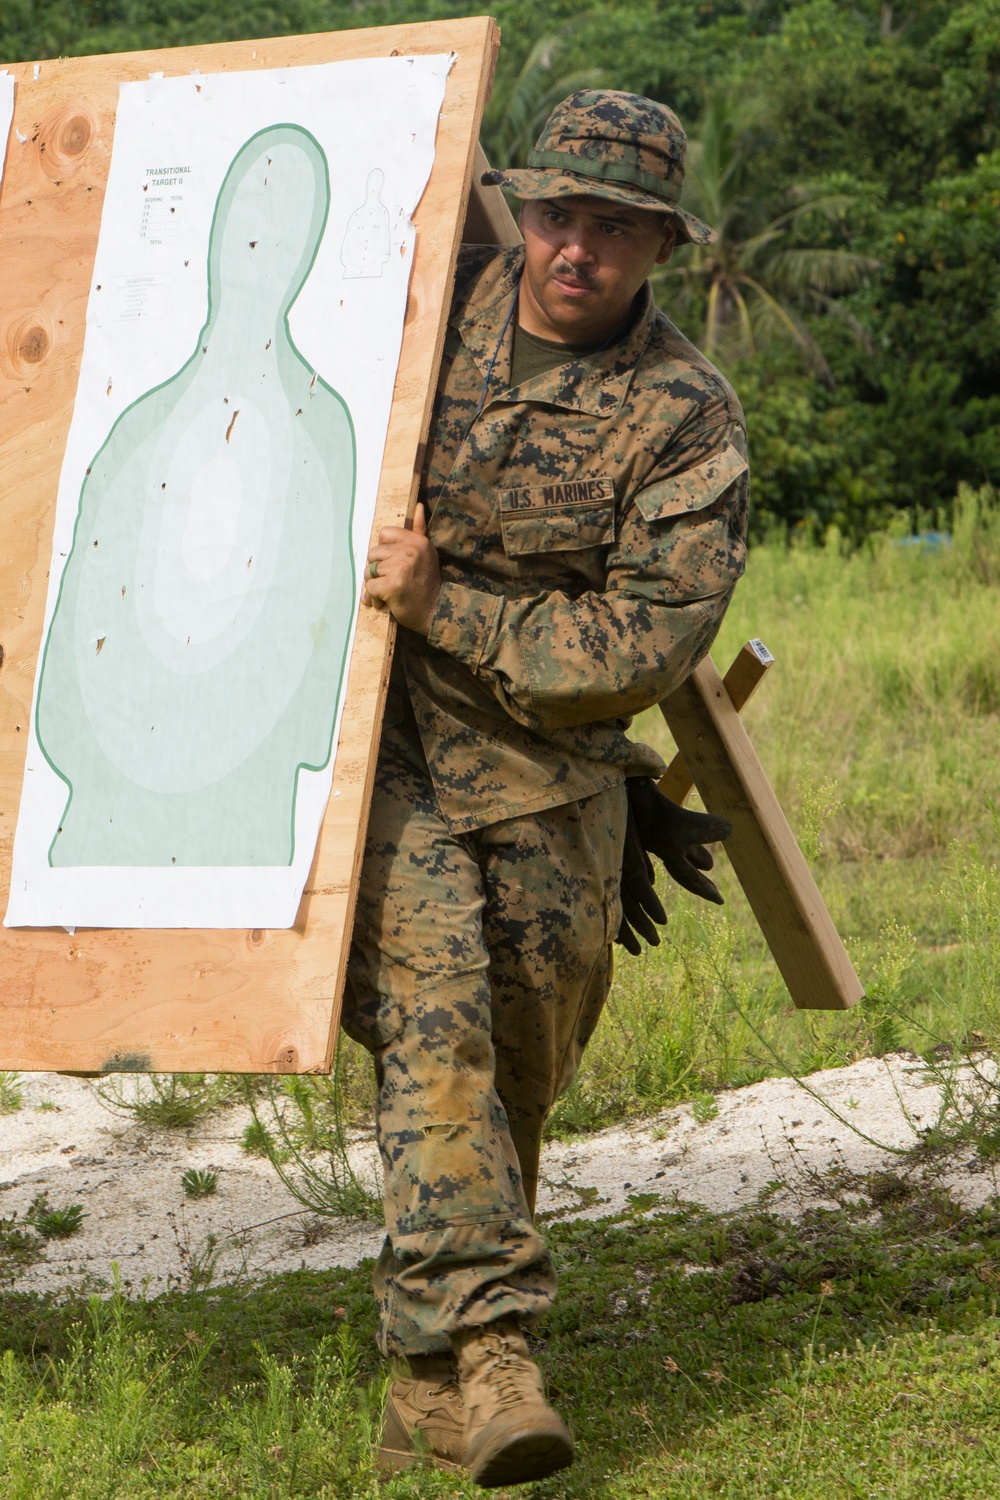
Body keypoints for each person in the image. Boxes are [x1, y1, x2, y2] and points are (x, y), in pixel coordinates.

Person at [340, 90, 749, 1488]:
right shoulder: (416, 317)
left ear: (657, 248)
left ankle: (423, 1376)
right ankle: (501, 1354)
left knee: (516, 1052)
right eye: (559, 215)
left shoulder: (685, 417)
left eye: (615, 231)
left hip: (546, 766)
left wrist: (444, 602)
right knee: (436, 1002)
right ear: (527, 208)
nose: (577, 250)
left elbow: (634, 647)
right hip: (365, 743)